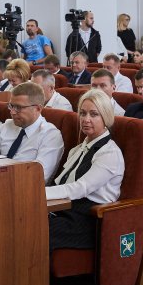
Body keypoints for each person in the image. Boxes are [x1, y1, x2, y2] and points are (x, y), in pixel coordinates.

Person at [46, 89, 124, 251]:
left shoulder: (109, 153)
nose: (86, 119)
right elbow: (62, 181)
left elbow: (80, 188)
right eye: (82, 113)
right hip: (65, 210)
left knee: (33, 229)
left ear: (106, 117)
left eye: (94, 114)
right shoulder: (78, 149)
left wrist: (39, 193)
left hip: (88, 219)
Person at [0, 82, 64, 183]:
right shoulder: (8, 125)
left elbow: (37, 178)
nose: (12, 112)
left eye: (18, 107)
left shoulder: (50, 135)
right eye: (11, 106)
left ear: (38, 108)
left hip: (26, 192)